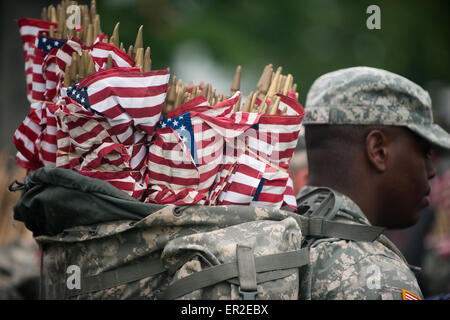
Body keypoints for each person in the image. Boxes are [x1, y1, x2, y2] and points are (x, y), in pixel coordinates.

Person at [297, 66, 450, 300]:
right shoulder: (379, 277)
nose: (430, 171)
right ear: (378, 150)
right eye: (423, 153)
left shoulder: (278, 236)